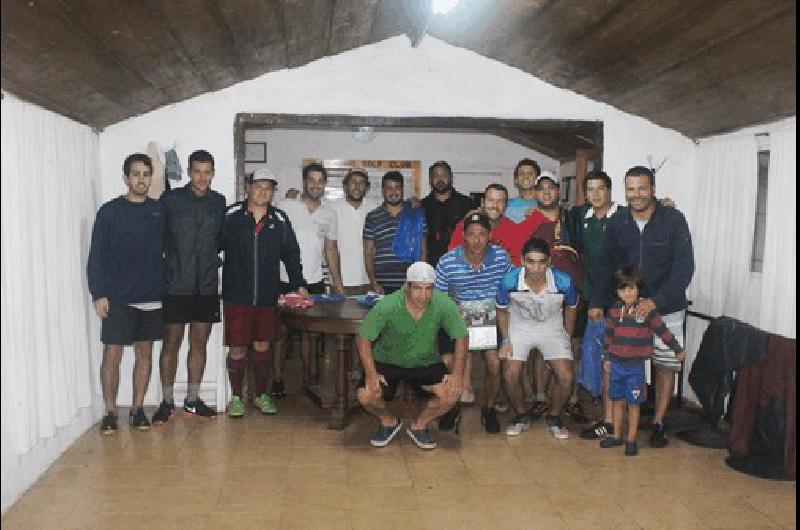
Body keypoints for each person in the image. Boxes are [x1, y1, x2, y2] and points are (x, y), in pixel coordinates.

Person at [589, 165, 694, 448]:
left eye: (642, 188)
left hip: (666, 307)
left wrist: (654, 302)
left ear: (653, 190)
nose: (636, 195)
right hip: (623, 307)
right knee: (614, 363)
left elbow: (684, 268)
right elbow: (605, 264)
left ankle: (658, 422)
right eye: (631, 189)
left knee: (664, 365)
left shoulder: (673, 220)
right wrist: (598, 301)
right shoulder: (618, 221)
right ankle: (611, 425)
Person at [88, 153, 165, 434]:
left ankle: (137, 410)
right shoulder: (109, 212)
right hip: (118, 298)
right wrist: (99, 293)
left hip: (152, 296)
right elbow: (96, 256)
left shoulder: (159, 211)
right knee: (112, 355)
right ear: (126, 178)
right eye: (136, 174)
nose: (141, 179)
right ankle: (109, 412)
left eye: (146, 174)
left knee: (145, 354)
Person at [221, 168, 308, 417]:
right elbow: (214, 247)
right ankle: (237, 397)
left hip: (268, 296)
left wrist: (298, 283)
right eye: (258, 186)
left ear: (273, 192)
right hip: (236, 295)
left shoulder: (279, 220)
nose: (262, 191)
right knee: (237, 347)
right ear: (248, 187)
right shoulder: (231, 215)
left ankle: (261, 395)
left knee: (263, 347)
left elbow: (291, 254)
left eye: (268, 187)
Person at [356, 262, 468, 450]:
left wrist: (457, 374)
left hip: (425, 362)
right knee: (365, 395)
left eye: (428, 289)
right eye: (417, 289)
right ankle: (388, 421)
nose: (423, 296)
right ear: (406, 286)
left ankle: (419, 425)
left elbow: (462, 337)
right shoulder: (388, 305)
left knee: (452, 393)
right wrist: (371, 373)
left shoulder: (443, 303)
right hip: (387, 361)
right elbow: (363, 338)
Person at [153, 149, 226, 423]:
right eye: (197, 171)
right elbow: (159, 240)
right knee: (171, 344)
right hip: (175, 285)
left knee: (200, 344)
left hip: (206, 285)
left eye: (207, 172)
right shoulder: (171, 200)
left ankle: (193, 401)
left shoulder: (218, 202)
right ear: (188, 171)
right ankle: (167, 401)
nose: (202, 177)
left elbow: (220, 241)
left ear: (213, 173)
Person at [434, 212, 511, 434]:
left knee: (494, 363)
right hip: (456, 316)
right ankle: (452, 406)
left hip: (489, 316)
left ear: (490, 235)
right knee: (450, 361)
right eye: (471, 235)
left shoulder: (501, 257)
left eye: (482, 234)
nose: (476, 240)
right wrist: (454, 312)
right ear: (463, 236)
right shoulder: (448, 261)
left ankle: (488, 409)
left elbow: (506, 293)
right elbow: (439, 298)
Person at [496, 237, 578, 439]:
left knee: (566, 376)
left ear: (549, 262)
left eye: (541, 262)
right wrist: (506, 339)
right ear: (522, 261)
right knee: (510, 374)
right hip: (519, 327)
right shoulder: (509, 280)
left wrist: (566, 335)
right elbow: (501, 310)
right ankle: (521, 415)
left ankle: (555, 416)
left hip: (552, 327)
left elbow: (571, 308)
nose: (536, 268)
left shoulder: (564, 281)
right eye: (531, 261)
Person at [600, 267, 686, 456]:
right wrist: (607, 358)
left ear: (638, 289)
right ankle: (616, 435)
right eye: (623, 290)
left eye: (631, 288)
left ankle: (631, 439)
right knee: (616, 400)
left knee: (634, 403)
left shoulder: (647, 311)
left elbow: (663, 331)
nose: (627, 293)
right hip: (616, 365)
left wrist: (677, 350)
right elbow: (608, 338)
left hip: (636, 367)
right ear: (617, 291)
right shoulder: (614, 311)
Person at [274, 162, 341, 397]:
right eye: (311, 180)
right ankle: (277, 379)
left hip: (313, 282)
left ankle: (309, 380)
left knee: (311, 334)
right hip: (284, 280)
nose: (315, 185)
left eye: (320, 181)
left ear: (324, 184)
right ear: (304, 182)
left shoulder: (329, 214)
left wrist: (338, 284)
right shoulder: (285, 206)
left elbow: (331, 250)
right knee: (280, 334)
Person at [528, 171, 588, 424]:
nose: (546, 192)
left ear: (558, 191)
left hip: (575, 294)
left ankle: (572, 400)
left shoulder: (574, 218)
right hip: (542, 295)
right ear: (535, 193)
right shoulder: (529, 221)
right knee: (542, 347)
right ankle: (541, 398)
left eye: (550, 187)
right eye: (541, 188)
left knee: (572, 346)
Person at [573, 170, 623, 440]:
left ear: (610, 190)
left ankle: (615, 422)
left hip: (621, 304)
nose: (595, 194)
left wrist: (662, 205)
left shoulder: (623, 217)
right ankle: (608, 421)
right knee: (602, 362)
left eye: (600, 189)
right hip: (596, 303)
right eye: (590, 189)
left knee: (616, 364)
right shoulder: (584, 218)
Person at [448, 183, 548, 266]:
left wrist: (539, 210)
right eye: (491, 200)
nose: (495, 205)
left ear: (506, 206)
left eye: (500, 201)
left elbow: (549, 216)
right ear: (483, 203)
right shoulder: (465, 226)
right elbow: (452, 260)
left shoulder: (515, 231)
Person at [363, 171, 427, 294]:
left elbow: (422, 251)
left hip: (410, 284)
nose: (393, 192)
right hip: (381, 287)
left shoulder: (416, 214)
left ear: (402, 189)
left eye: (397, 187)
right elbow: (368, 253)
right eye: (389, 188)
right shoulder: (372, 217)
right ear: (383, 191)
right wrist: (373, 283)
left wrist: (416, 280)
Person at [329, 168, 380, 295]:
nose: (357, 186)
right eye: (353, 182)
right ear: (345, 185)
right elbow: (330, 248)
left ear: (367, 187)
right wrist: (338, 284)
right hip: (340, 284)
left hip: (369, 282)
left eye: (361, 182)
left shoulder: (375, 208)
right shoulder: (332, 209)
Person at [421, 160, 474, 267]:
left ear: (451, 178)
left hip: (462, 268)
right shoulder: (422, 206)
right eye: (436, 175)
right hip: (432, 270)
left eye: (444, 175)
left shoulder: (467, 204)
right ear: (430, 180)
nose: (440, 179)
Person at [505, 158, 540, 223]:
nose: (526, 176)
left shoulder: (546, 205)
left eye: (530, 173)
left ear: (538, 179)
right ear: (516, 180)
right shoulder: (506, 205)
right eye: (521, 173)